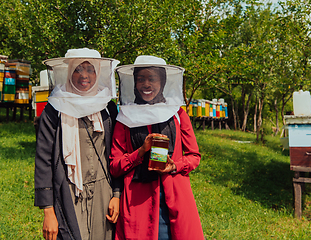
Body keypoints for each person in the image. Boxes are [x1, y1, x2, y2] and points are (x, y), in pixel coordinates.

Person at [110, 55, 204, 240]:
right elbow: (114, 166)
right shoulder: (125, 118)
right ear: (134, 83)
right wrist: (140, 152)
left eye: (152, 78)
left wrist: (175, 166)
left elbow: (194, 156)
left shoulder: (177, 113)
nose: (146, 84)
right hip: (138, 201)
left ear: (162, 82)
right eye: (141, 79)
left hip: (175, 196)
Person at [34, 48, 122, 240]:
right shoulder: (54, 108)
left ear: (98, 72)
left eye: (90, 69)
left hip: (103, 192)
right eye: (77, 69)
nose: (84, 75)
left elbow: (117, 152)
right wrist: (48, 211)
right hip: (69, 191)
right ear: (68, 72)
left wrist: (117, 193)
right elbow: (43, 160)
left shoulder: (108, 107)